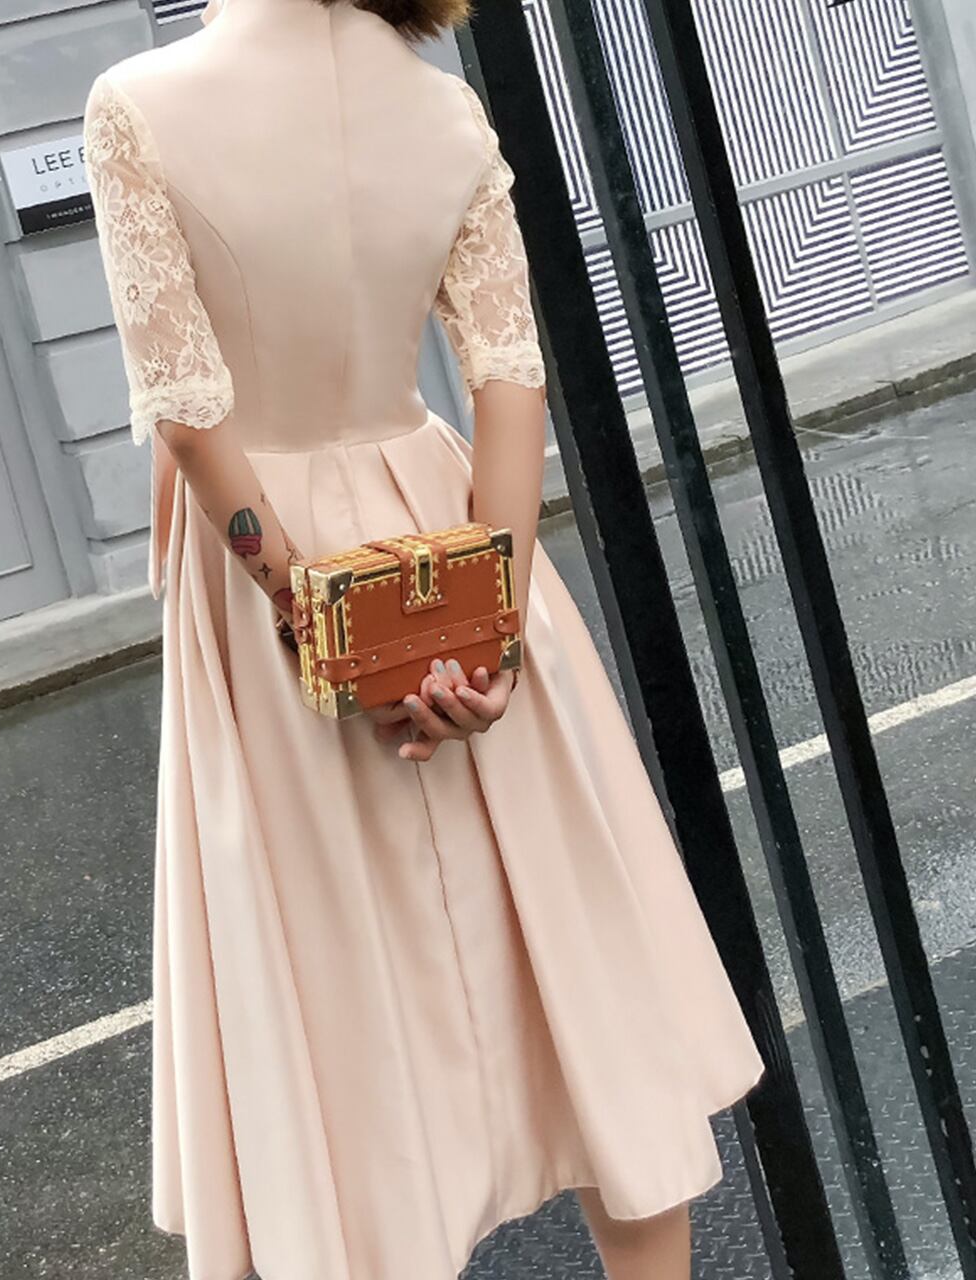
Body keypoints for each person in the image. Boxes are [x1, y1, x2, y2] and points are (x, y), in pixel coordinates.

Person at [81, 0, 765, 1274]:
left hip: (274, 568)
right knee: (572, 973)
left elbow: (187, 412)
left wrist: (321, 619)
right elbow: (509, 377)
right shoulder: (442, 110)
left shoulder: (137, 107)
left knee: (338, 1006)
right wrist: (482, 633)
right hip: (446, 533)